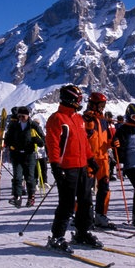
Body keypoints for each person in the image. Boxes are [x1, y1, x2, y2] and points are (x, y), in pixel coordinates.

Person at [45, 85, 102, 253]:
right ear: (70, 99)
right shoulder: (57, 118)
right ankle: (57, 237)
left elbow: (84, 142)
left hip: (82, 166)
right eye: (78, 99)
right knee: (67, 204)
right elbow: (53, 144)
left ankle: (82, 233)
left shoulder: (78, 119)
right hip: (67, 167)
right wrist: (55, 165)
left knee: (85, 201)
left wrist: (90, 159)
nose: (80, 102)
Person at [82, 92, 115, 229]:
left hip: (103, 159)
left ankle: (101, 215)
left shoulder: (103, 120)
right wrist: (88, 120)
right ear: (92, 104)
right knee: (85, 189)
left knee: (104, 187)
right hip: (89, 159)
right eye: (100, 105)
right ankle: (83, 216)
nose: (102, 108)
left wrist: (113, 142)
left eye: (103, 105)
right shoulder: (86, 119)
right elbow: (84, 137)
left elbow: (106, 140)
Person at [5, 106, 45, 207]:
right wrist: (10, 144)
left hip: (29, 154)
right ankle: (17, 197)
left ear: (28, 116)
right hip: (17, 154)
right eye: (19, 116)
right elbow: (7, 138)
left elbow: (43, 139)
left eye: (23, 116)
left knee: (29, 177)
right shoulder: (14, 125)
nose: (21, 118)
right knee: (17, 177)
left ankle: (31, 197)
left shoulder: (33, 125)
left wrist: (36, 140)